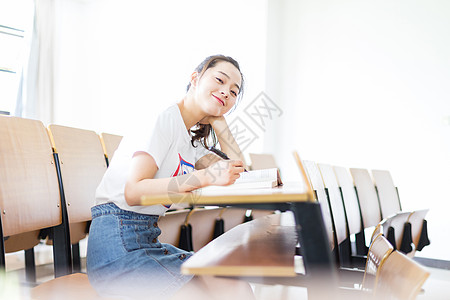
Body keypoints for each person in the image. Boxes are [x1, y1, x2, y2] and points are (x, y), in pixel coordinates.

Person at [87, 55, 255, 300]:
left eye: (233, 91)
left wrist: (221, 124)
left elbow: (241, 174)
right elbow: (133, 192)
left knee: (234, 286)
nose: (226, 92)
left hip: (148, 240)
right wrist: (206, 176)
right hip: (118, 245)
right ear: (195, 79)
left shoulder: (190, 141)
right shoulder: (164, 118)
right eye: (219, 80)